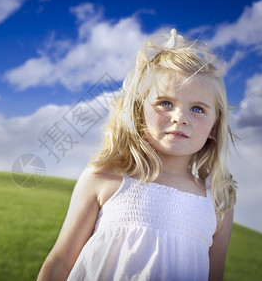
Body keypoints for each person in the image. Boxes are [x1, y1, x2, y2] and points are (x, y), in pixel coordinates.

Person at [37, 29, 237, 281]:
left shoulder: (217, 201)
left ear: (214, 125)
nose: (180, 118)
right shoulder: (105, 177)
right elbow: (60, 262)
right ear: (139, 110)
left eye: (197, 109)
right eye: (165, 103)